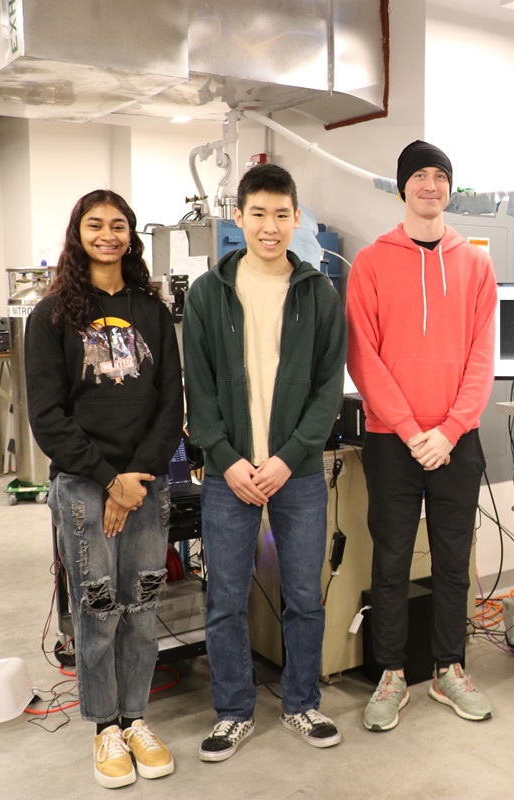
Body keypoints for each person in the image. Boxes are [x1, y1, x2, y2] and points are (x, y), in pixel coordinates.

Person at [184, 163, 347, 761]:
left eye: (282, 215)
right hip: (230, 476)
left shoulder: (318, 293)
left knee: (304, 594)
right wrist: (226, 460)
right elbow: (197, 392)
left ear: (296, 218)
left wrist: (287, 458)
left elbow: (328, 389)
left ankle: (302, 704)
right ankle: (233, 712)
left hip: (296, 474)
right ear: (239, 217)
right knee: (225, 598)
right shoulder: (208, 293)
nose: (271, 227)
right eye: (259, 214)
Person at [25, 189, 183, 789]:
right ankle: (104, 730)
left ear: (131, 236)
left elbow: (172, 399)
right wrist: (107, 479)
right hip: (85, 487)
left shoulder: (152, 310)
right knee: (97, 610)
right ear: (78, 233)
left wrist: (136, 476)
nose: (108, 235)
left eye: (119, 226)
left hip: (143, 483)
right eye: (96, 225)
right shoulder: (52, 317)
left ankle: (137, 718)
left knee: (142, 607)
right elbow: (48, 416)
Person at [346, 140, 497, 732]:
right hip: (393, 441)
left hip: (457, 441)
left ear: (449, 188)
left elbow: (483, 357)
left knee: (454, 562)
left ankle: (449, 669)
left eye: (441, 177)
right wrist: (412, 431)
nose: (430, 186)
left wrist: (451, 429)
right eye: (420, 177)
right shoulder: (371, 262)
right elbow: (365, 357)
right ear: (402, 186)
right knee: (389, 560)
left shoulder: (476, 263)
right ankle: (389, 673)